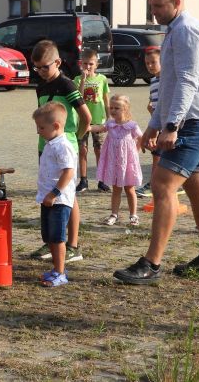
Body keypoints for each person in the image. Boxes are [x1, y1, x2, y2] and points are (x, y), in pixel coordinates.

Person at [113, 0, 199, 285]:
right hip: (197, 120)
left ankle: (152, 263)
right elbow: (170, 85)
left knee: (162, 186)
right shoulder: (175, 29)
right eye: (151, 6)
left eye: (158, 6)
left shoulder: (186, 30)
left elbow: (187, 81)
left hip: (194, 122)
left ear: (176, 2)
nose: (154, 12)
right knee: (197, 188)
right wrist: (153, 126)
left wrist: (171, 125)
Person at [30, 40, 91, 263]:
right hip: (45, 147)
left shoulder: (67, 85)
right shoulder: (40, 86)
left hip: (66, 146)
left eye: (44, 67)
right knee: (48, 190)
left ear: (57, 62)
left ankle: (72, 245)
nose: (40, 72)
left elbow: (86, 117)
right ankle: (52, 242)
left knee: (68, 195)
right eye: (36, 68)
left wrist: (78, 139)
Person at [33, 102, 77, 287]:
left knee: (58, 237)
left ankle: (60, 272)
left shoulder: (62, 146)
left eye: (41, 127)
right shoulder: (50, 144)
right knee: (49, 236)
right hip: (48, 198)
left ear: (56, 126)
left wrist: (54, 193)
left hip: (59, 200)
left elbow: (69, 172)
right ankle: (56, 269)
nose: (38, 131)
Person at [92, 95, 143, 226]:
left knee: (130, 189)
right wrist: (88, 127)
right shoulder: (110, 124)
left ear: (125, 109)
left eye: (117, 108)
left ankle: (133, 215)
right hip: (114, 162)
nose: (113, 110)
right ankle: (114, 214)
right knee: (116, 189)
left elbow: (141, 138)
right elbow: (100, 128)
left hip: (127, 163)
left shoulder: (131, 125)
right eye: (111, 108)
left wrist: (136, 151)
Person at [73, 49, 110, 193]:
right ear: (81, 64)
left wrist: (109, 117)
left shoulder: (102, 79)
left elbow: (106, 99)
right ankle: (83, 180)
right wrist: (83, 80)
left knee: (99, 149)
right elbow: (78, 97)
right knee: (82, 149)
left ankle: (101, 180)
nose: (88, 67)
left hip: (98, 120)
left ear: (96, 64)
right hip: (82, 120)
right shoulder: (77, 79)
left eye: (91, 64)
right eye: (85, 64)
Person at [136, 47, 161, 198]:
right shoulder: (153, 80)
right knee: (156, 153)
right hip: (157, 122)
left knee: (158, 153)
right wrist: (151, 109)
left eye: (153, 62)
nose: (150, 66)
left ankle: (154, 184)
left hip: (166, 124)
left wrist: (154, 129)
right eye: (147, 63)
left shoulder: (166, 79)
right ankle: (155, 183)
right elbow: (153, 103)